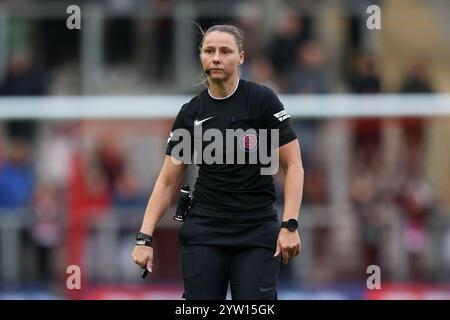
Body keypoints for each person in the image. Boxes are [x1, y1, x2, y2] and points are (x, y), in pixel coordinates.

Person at [132, 24, 304, 300]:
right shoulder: (191, 113)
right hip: (204, 233)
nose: (216, 57)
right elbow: (167, 182)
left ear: (241, 58)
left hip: (257, 233)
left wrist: (289, 225)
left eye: (225, 51)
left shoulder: (263, 102)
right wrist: (144, 237)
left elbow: (293, 165)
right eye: (209, 51)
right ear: (200, 57)